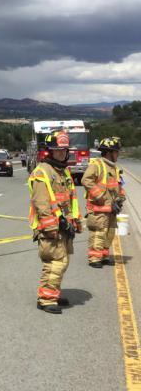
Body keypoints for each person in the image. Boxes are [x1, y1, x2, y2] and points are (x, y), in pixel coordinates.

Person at [28, 131, 82, 314]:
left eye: (63, 150)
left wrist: (75, 221)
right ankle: (46, 299)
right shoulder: (42, 172)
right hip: (51, 228)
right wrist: (51, 227)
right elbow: (42, 203)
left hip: (64, 227)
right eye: (57, 150)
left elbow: (71, 199)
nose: (61, 153)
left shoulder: (63, 171)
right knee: (55, 262)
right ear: (49, 151)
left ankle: (53, 293)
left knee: (63, 262)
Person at [81, 137, 126, 268]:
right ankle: (94, 258)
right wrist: (101, 197)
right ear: (109, 152)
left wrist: (120, 200)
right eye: (116, 152)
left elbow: (118, 186)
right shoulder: (97, 165)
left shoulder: (114, 168)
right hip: (98, 208)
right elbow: (86, 180)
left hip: (111, 209)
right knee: (98, 233)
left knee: (109, 233)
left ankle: (104, 255)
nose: (118, 154)